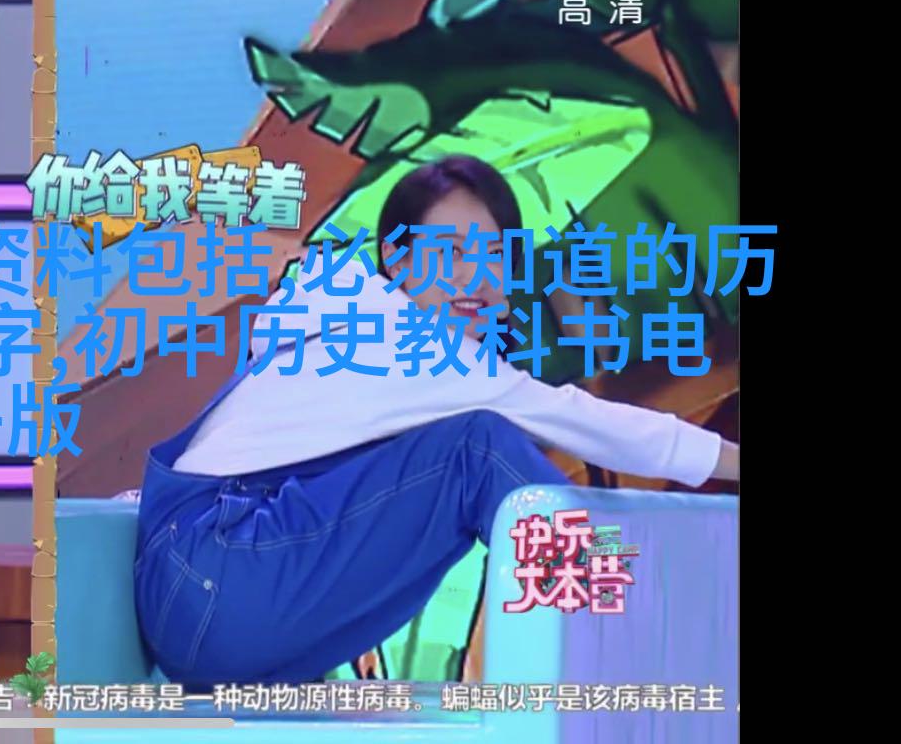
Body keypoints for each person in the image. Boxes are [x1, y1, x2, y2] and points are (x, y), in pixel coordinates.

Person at [134, 155, 741, 687]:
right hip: (217, 575)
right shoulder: (413, 341)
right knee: (478, 450)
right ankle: (639, 641)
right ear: (397, 260)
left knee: (459, 469)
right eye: (449, 253)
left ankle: (628, 642)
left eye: (494, 254)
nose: (475, 277)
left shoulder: (345, 312)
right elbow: (592, 424)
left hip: (198, 603)